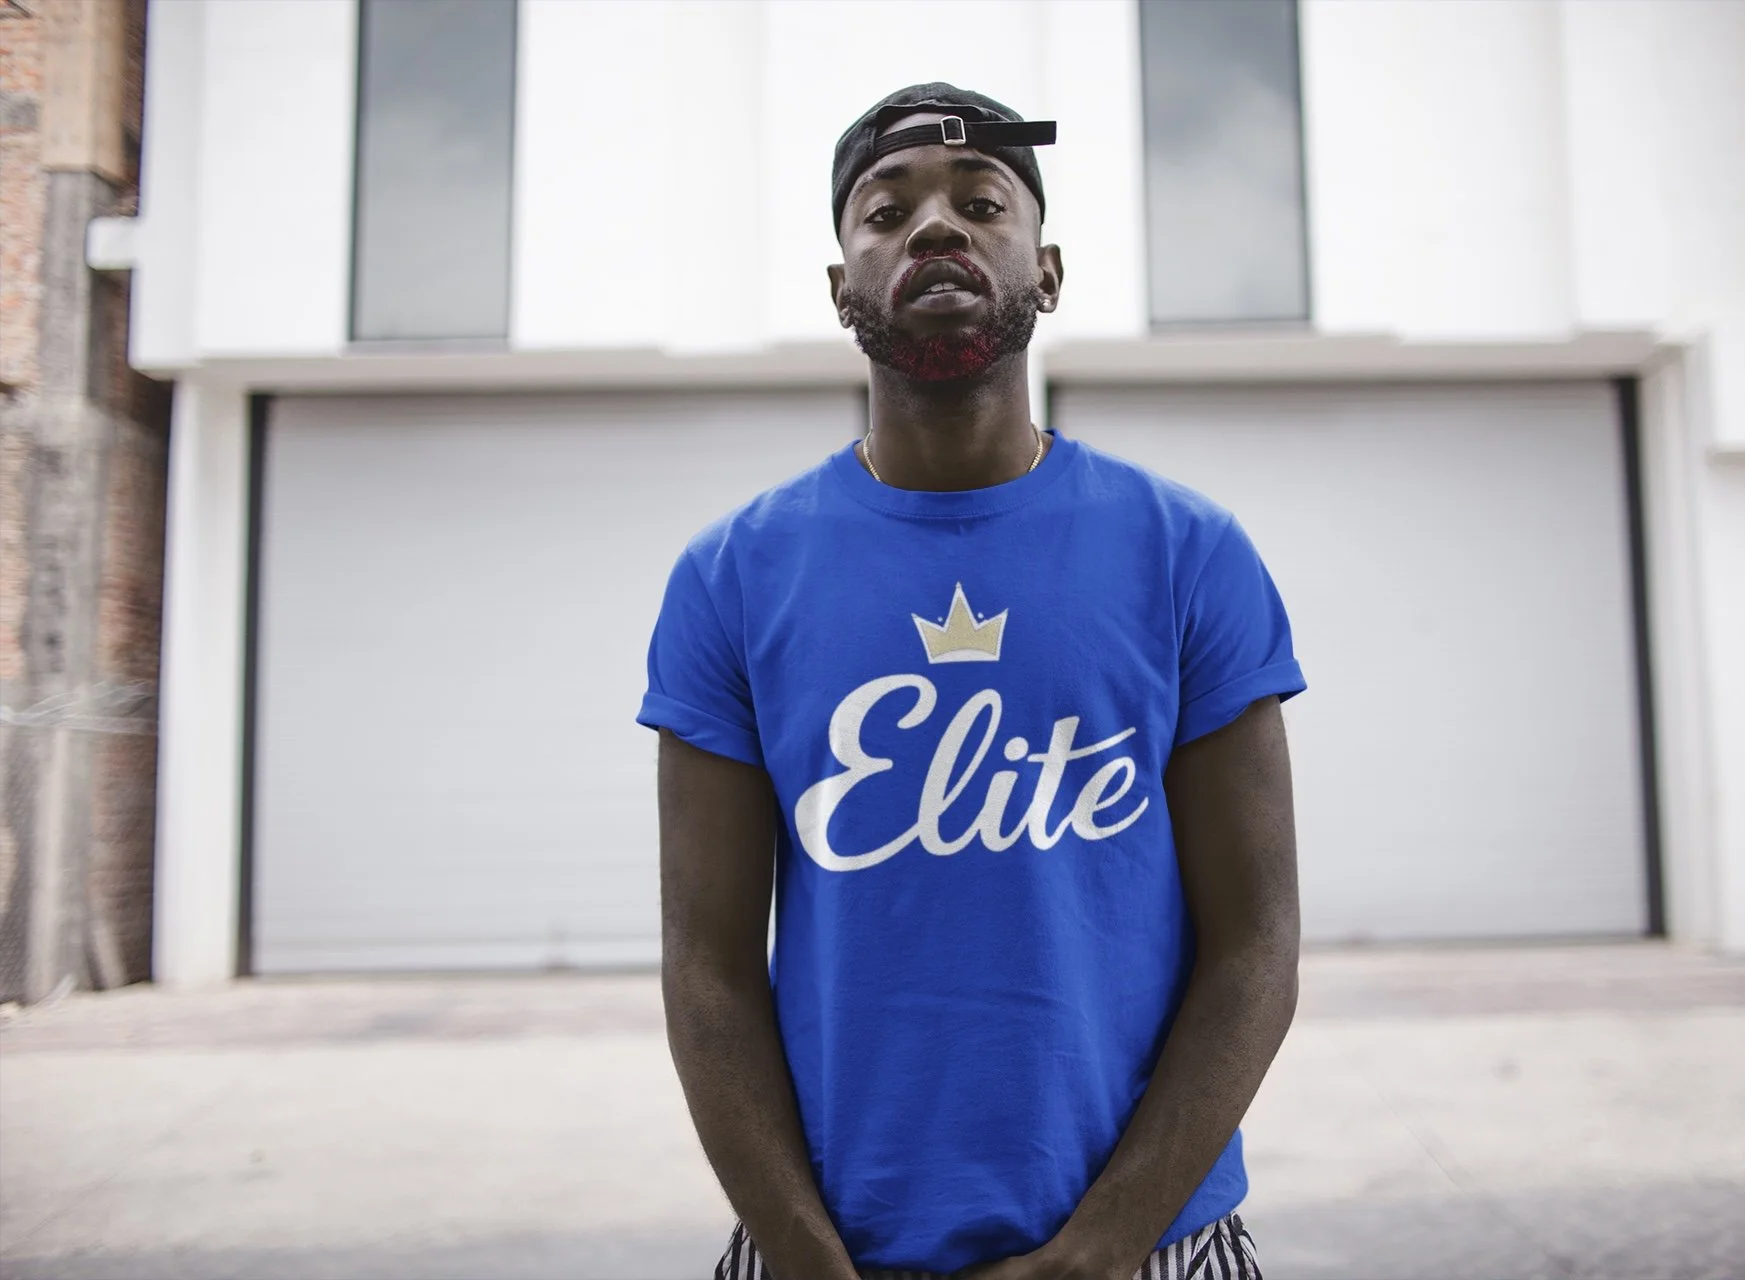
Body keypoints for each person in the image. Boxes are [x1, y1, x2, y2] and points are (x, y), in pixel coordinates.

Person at [638, 83, 1306, 1280]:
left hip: (1148, 1243)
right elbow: (708, 966)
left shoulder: (1185, 552)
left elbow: (1254, 941)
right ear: (839, 285)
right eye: (885, 211)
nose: (933, 226)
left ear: (1045, 271)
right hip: (825, 1250)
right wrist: (805, 1256)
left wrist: (1100, 1247)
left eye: (980, 203)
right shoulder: (732, 575)